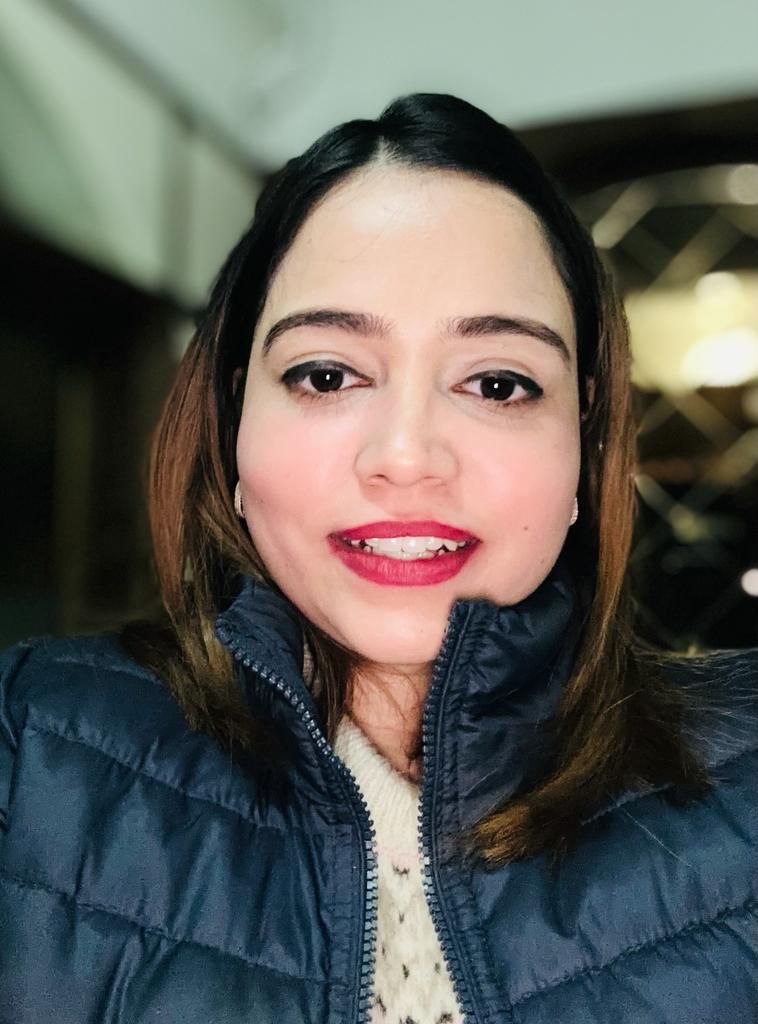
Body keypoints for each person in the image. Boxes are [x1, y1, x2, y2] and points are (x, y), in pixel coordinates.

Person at [0, 93, 755, 1024]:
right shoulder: (31, 748)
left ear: (585, 444)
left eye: (498, 383)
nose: (405, 456)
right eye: (326, 375)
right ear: (236, 424)